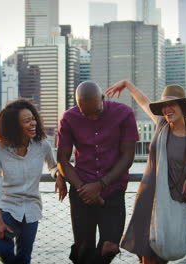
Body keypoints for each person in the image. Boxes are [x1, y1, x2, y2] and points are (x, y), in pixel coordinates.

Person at [106, 80, 186, 264]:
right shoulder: (161, 125)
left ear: (183, 107)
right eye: (164, 106)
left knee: (158, 255)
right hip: (147, 197)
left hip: (170, 201)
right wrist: (127, 84)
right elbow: (144, 101)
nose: (167, 110)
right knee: (143, 255)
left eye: (172, 105)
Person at [55, 81, 139, 264]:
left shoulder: (124, 114)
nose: (92, 118)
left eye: (96, 112)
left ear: (103, 98)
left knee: (110, 247)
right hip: (81, 190)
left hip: (113, 189)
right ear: (78, 104)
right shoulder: (69, 118)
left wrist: (100, 185)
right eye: (86, 114)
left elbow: (127, 157)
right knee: (83, 248)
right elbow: (62, 159)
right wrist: (83, 188)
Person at [0, 99, 58, 264]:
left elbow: (53, 167)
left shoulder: (43, 145)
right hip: (7, 208)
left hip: (31, 209)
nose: (33, 123)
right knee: (4, 252)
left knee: (24, 257)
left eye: (33, 119)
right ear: (14, 126)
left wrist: (59, 176)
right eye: (27, 121)